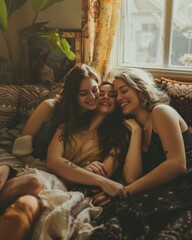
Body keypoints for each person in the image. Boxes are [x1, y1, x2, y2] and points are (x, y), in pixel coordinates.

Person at [90, 68, 192, 240]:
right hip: (167, 186)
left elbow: (177, 164)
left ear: (140, 88)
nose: (120, 98)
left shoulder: (161, 112)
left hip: (186, 182)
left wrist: (123, 192)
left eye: (124, 91)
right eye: (117, 94)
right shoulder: (132, 127)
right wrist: (136, 133)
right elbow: (131, 177)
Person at [46, 81, 128, 198]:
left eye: (112, 95)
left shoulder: (118, 137)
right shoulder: (69, 124)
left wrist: (73, 175)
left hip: (71, 191)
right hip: (47, 177)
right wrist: (83, 171)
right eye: (102, 93)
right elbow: (52, 161)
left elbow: (104, 173)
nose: (106, 97)